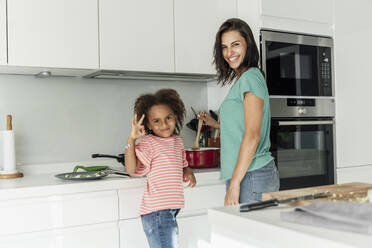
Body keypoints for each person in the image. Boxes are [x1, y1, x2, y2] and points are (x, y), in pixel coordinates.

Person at [199, 18, 279, 206]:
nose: (229, 53)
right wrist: (216, 124)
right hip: (248, 174)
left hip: (251, 175)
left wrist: (235, 183)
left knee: (248, 235)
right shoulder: (245, 79)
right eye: (224, 47)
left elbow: (252, 136)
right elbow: (245, 124)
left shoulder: (250, 78)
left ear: (248, 45)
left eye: (235, 45)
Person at [124, 88, 196, 248]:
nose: (164, 124)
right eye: (156, 121)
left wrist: (188, 171)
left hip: (171, 209)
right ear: (148, 124)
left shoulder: (177, 141)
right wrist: (131, 138)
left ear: (175, 117)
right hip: (157, 211)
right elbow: (131, 168)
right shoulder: (148, 143)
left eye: (168, 118)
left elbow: (181, 164)